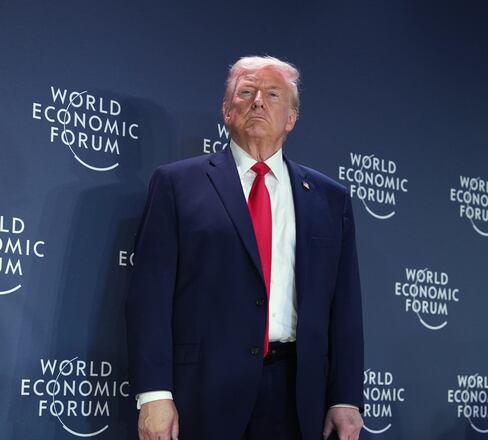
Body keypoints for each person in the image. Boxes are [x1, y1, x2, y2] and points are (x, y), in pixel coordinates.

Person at [126, 55, 364, 440]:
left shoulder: (329, 198)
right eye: (247, 92)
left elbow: (345, 306)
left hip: (297, 394)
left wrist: (345, 398)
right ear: (227, 110)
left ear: (291, 118)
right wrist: (154, 393)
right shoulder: (177, 184)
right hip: (201, 390)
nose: (258, 102)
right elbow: (149, 297)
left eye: (273, 94)